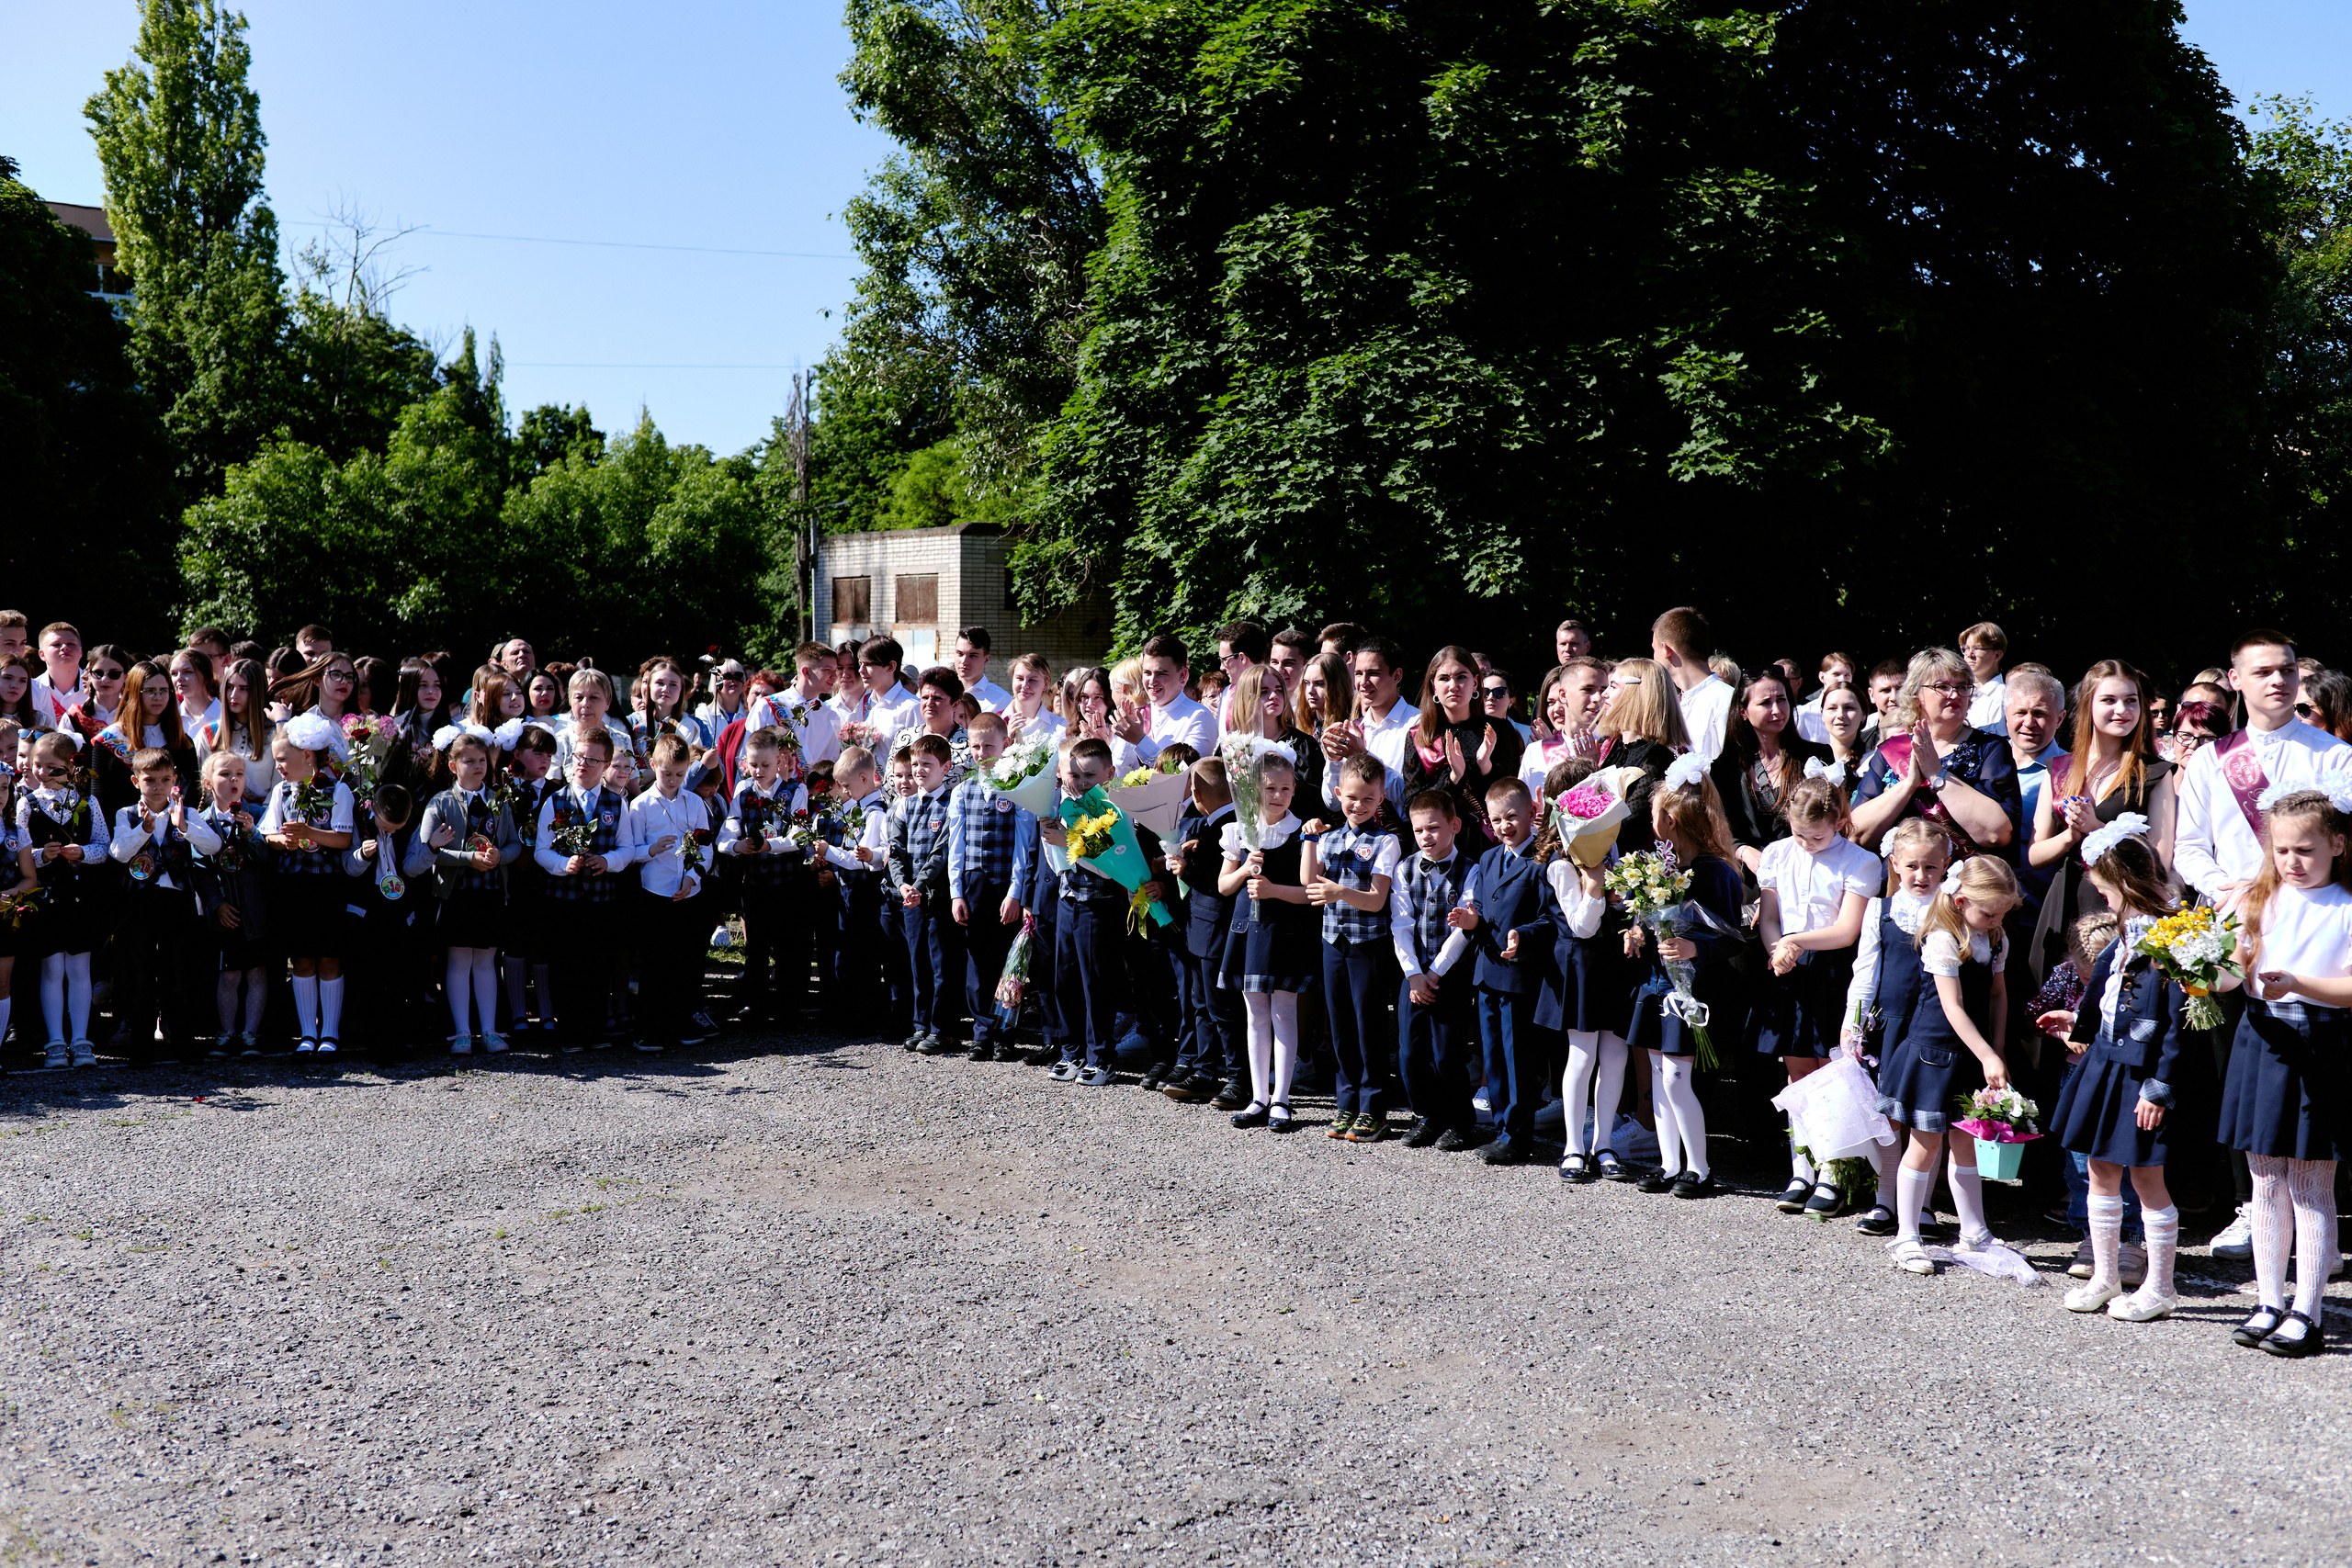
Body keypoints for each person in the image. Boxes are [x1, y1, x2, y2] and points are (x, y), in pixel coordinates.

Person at [2171, 631, 2352, 1262]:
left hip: (2316, 926)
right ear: (2235, 679)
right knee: (2240, 1072)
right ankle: (2254, 1207)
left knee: (2319, 1076)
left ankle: (2320, 1219)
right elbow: (2188, 847)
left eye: (2286, 671)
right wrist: (2234, 888)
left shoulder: (2333, 757)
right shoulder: (2212, 759)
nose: (2277, 681)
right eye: (2263, 671)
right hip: (2240, 925)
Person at [2212, 784, 2352, 1357]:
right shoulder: (2257, 900)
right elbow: (2225, 976)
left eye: (2306, 850)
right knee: (2265, 1178)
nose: (2292, 862)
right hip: (2262, 1039)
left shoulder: (2346, 905)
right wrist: (2199, 963)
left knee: (2311, 1184)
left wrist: (2297, 984)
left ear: (2338, 844)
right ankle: (2270, 1300)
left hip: (2322, 1044)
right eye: (2282, 850)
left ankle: (2308, 1311)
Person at [2039, 822, 2188, 1322]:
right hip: (2104, 1061)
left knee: (2146, 1178)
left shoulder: (2168, 939)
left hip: (2140, 1076)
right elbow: (2108, 994)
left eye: (2103, 884)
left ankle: (2161, 1286)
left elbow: (2173, 1026)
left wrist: (2158, 1088)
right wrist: (2079, 1023)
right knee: (2100, 1169)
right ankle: (2105, 1275)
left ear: (2123, 881)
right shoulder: (2123, 934)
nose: (2098, 892)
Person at [1874, 853, 2021, 1274]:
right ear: (1960, 902)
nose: (1995, 920)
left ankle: (1973, 1231)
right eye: (1989, 912)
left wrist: (1998, 1050)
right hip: (1932, 1055)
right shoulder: (1943, 938)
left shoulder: (1996, 939)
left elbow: (1997, 995)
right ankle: (1907, 1235)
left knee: (1967, 1141)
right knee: (1925, 1145)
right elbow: (1953, 1008)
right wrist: (1987, 1054)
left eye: (2003, 913)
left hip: (1971, 1055)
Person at [1752, 773, 1881, 1216]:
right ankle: (1801, 1167)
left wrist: (1795, 942)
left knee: (1833, 1069)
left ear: (1840, 822)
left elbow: (1847, 931)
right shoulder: (1777, 854)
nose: (1806, 843)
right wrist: (1777, 948)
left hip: (1830, 968)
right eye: (1799, 833)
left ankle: (1834, 1171)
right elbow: (1769, 915)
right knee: (1798, 1071)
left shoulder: (1859, 861)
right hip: (1786, 962)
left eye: (1817, 836)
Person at [1623, 757, 1744, 1199]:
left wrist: (1696, 948)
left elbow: (1733, 937)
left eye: (1653, 813)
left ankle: (1700, 1166)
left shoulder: (1714, 870)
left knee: (1676, 1077)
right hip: (1658, 980)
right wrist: (1638, 928)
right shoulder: (1661, 863)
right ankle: (1670, 1162)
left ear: (1669, 820)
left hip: (1692, 988)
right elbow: (1650, 911)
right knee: (1657, 1074)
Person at [2027, 660, 2173, 977]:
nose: (2122, 709)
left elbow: (2159, 859)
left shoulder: (2156, 772)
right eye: (2109, 700)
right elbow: (2035, 855)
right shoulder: (2059, 769)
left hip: (2122, 904)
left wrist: (2097, 830)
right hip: (2065, 900)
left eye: (2131, 700)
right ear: (2088, 706)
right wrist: (2070, 835)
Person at [1447, 776, 1553, 1165]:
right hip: (1487, 969)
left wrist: (1522, 936)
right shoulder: (1490, 858)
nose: (1504, 826)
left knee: (1516, 1058)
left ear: (1530, 813)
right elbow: (1486, 912)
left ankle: (1516, 1133)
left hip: (1518, 974)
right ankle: (1501, 1126)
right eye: (1496, 820)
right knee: (1492, 1057)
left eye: (1512, 816)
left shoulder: (1542, 861)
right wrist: (1471, 920)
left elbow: (1549, 919)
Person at [1533, 759, 1625, 1183]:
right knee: (1583, 1053)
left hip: (1615, 959)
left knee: (1616, 1053)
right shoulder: (1558, 863)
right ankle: (1573, 1145)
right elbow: (1583, 926)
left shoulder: (1612, 850)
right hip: (1582, 962)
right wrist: (1595, 886)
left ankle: (1603, 1142)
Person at [1302, 752, 1401, 1142]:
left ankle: (1374, 1107)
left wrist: (1339, 891)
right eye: (1352, 798)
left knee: (1369, 1024)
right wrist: (1310, 840)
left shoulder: (1386, 841)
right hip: (1333, 942)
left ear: (1380, 800)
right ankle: (1346, 1103)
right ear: (1339, 793)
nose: (1358, 806)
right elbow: (1310, 883)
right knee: (1339, 1023)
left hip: (1368, 946)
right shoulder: (1328, 838)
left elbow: (1377, 900)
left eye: (1368, 799)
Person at [1849, 648, 2020, 863]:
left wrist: (1936, 774)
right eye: (1942, 687)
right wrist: (1909, 784)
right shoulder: (1891, 750)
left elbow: (1998, 834)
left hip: (1966, 885)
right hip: (1902, 886)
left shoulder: (1990, 749)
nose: (1955, 694)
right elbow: (1855, 834)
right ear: (1916, 694)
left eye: (1962, 687)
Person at [107, 748, 222, 1064]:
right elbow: (117, 852)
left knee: (179, 974)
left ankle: (182, 1042)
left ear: (175, 781)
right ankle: (141, 1047)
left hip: (177, 901)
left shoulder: (185, 812)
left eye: (165, 780)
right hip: (140, 903)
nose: (157, 786)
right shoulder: (126, 814)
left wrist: (184, 826)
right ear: (136, 781)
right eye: (150, 780)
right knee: (140, 976)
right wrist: (143, 830)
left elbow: (214, 845)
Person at [1217, 747, 1311, 1129]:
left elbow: (1309, 892)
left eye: (1285, 789)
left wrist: (1273, 889)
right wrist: (1244, 870)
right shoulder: (1239, 830)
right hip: (1247, 930)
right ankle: (1258, 1096)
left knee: (1283, 1012)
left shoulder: (1301, 831)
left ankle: (1282, 1098)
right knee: (1254, 1014)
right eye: (1270, 788)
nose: (1278, 796)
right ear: (1255, 790)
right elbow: (1224, 886)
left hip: (1285, 931)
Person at [414, 730, 524, 1056]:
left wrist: (499, 857)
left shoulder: (498, 800)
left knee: (487, 961)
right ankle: (461, 1033)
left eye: (482, 761)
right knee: (460, 960)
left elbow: (515, 844)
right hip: (457, 895)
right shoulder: (441, 802)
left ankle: (489, 1031)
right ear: (452, 765)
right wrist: (468, 859)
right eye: (469, 761)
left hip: (490, 892)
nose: (478, 767)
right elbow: (428, 847)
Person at [534, 728, 639, 1053]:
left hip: (600, 899)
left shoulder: (615, 804)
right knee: (566, 965)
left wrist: (607, 861)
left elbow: (628, 849)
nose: (583, 764)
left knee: (597, 964)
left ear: (606, 764)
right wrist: (562, 865)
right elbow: (541, 850)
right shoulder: (556, 801)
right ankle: (570, 1032)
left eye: (592, 760)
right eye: (579, 757)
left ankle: (594, 1030)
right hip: (564, 899)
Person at [260, 714, 358, 1055]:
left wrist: (309, 834)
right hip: (293, 886)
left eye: (283, 759)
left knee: (329, 958)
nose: (279, 767)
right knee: (301, 959)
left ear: (307, 755)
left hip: (327, 885)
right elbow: (267, 832)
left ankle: (329, 1033)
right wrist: (281, 841)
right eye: (276, 761)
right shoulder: (280, 791)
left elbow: (344, 839)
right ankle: (306, 1034)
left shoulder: (338, 789)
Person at [1391, 789, 1478, 1148]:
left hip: (1450, 973)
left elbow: (1462, 931)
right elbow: (1400, 924)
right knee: (1410, 1052)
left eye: (1434, 828)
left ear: (1454, 825)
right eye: (1418, 830)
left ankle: (1461, 1120)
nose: (1426, 837)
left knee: (1447, 1053)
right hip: (1414, 972)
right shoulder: (1405, 868)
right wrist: (1414, 972)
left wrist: (1435, 972)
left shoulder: (1471, 870)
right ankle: (1429, 1114)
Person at [17, 731, 107, 1066]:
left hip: (79, 897)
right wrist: (42, 855)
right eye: (38, 766)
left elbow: (103, 846)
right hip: (48, 897)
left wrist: (82, 852)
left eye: (54, 769)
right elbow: (20, 851)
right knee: (52, 968)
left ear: (73, 770)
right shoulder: (28, 803)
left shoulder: (87, 803)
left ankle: (81, 1039)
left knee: (80, 968)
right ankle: (55, 1041)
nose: (43, 774)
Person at [946, 713, 1027, 1061]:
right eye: (976, 746)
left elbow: (1025, 844)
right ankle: (982, 1032)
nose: (982, 752)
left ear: (1006, 744)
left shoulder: (1019, 787)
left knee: (1009, 963)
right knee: (978, 960)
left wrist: (1015, 891)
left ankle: (1006, 1033)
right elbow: (955, 845)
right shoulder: (962, 791)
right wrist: (956, 892)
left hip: (1005, 884)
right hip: (975, 882)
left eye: (989, 745)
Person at [719, 728, 813, 1030]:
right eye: (753, 765)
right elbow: (729, 828)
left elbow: (799, 834)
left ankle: (790, 1008)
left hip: (788, 882)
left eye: (766, 765)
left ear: (779, 760)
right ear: (745, 762)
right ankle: (756, 1005)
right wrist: (736, 845)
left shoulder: (795, 790)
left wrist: (769, 845)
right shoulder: (744, 792)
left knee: (790, 947)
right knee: (756, 948)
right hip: (756, 883)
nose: (759, 771)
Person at [628, 733, 712, 1053]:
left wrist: (692, 879)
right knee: (655, 964)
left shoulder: (695, 803)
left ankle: (679, 1023)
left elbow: (705, 848)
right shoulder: (641, 805)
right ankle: (648, 1028)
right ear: (653, 766)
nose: (674, 780)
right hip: (654, 893)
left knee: (684, 962)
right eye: (667, 774)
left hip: (687, 893)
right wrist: (649, 849)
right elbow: (630, 850)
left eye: (679, 774)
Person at [1164, 757, 1241, 1105]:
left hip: (1216, 929)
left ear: (1196, 793)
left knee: (1220, 1007)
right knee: (1202, 1003)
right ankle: (1206, 1069)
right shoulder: (1214, 825)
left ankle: (1239, 1077)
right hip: (1201, 928)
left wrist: (1185, 869)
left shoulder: (1228, 827)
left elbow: (1217, 884)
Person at [1402, 646, 1525, 847]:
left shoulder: (1499, 730)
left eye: (1461, 677)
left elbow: (1514, 797)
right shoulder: (1420, 736)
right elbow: (1412, 806)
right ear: (1434, 686)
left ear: (1475, 683)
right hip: (1436, 848)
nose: (1453, 686)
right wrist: (1453, 777)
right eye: (1444, 678)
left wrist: (1485, 767)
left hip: (1489, 845)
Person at [189, 750, 270, 1057]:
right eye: (225, 774)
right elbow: (199, 869)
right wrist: (216, 904)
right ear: (208, 783)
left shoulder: (257, 815)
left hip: (254, 911)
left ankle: (250, 1034)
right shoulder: (200, 821)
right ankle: (227, 1033)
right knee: (229, 974)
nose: (233, 779)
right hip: (224, 914)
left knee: (257, 972)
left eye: (239, 774)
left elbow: (266, 860)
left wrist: (252, 834)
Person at [1712, 667, 1832, 871]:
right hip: (1750, 878)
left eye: (1781, 700)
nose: (1776, 710)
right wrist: (1742, 851)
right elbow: (1717, 830)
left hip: (1810, 869)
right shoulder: (1725, 769)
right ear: (1743, 712)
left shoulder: (1816, 757)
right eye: (1765, 703)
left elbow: (1833, 819)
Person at [1588, 658, 1687, 855]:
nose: (1603, 695)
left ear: (1635, 694)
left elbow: (1631, 823)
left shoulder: (1656, 757)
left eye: (1613, 686)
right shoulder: (1614, 745)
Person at [1316, 636, 1419, 817]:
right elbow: (1332, 802)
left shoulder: (1418, 724)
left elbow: (1412, 795)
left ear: (1397, 676)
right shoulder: (1353, 729)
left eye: (1373, 673)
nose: (1363, 682)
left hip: (1406, 838)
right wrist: (1333, 762)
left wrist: (1363, 757)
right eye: (1358, 673)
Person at [1111, 634, 1218, 774]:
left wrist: (1140, 741)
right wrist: (1127, 738)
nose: (1152, 681)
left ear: (1182, 675)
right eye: (1147, 673)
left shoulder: (1199, 717)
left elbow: (1187, 775)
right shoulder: (1139, 714)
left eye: (1161, 674)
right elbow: (1118, 776)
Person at [1519, 660, 1610, 806]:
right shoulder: (1536, 752)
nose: (1598, 698)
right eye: (1588, 689)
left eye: (1603, 690)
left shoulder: (1613, 744)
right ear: (1563, 695)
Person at [1651, 606, 1731, 764]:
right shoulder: (1675, 703)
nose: (1653, 658)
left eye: (1654, 649)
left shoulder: (1725, 701)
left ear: (1666, 650)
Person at [1003, 652, 1066, 749]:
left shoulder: (1060, 726)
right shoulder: (996, 721)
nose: (1024, 685)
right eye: (1020, 678)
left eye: (1032, 680)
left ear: (1046, 684)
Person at [1793, 652, 1859, 744]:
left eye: (1847, 675)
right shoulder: (1803, 714)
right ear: (1822, 677)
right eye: (1836, 674)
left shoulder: (1857, 712)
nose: (1842, 680)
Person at [1959, 621, 2010, 736]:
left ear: (1997, 655)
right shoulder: (1962, 692)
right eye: (1966, 648)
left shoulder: (2002, 696)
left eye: (1976, 648)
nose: (1969, 654)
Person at [951, 626, 1012, 713]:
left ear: (986, 659)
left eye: (972, 656)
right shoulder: (939, 693)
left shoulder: (1001, 699)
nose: (964, 661)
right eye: (960, 654)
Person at [1857, 658, 1906, 755]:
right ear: (1871, 695)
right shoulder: (1862, 743)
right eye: (1886, 690)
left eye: (1900, 689)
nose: (1894, 697)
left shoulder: (1928, 736)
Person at [1817, 682, 1870, 770]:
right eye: (1832, 708)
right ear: (1822, 714)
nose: (1840, 715)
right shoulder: (1811, 761)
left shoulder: (1873, 762)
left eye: (1848, 708)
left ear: (1863, 714)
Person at [1481, 668, 1532, 744]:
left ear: (1511, 701)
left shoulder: (1528, 734)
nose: (1490, 697)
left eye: (1499, 692)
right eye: (1485, 692)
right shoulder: (1468, 732)